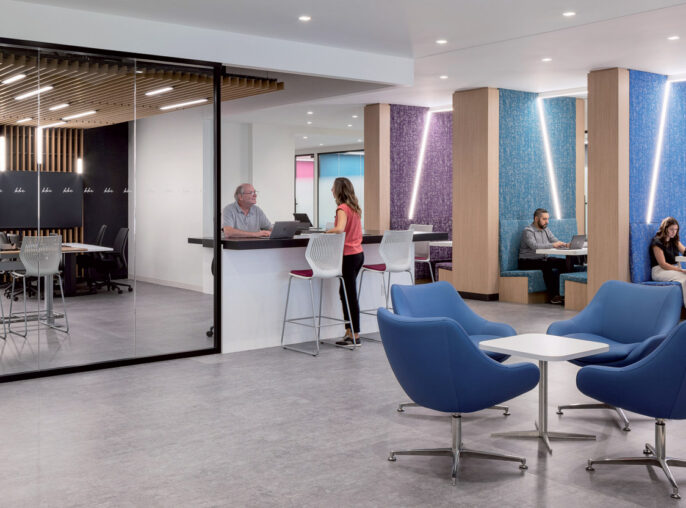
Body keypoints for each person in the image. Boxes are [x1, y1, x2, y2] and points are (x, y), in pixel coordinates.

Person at [326, 177, 364, 346]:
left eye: (333, 188)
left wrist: (327, 232)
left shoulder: (342, 208)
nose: (331, 190)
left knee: (349, 295)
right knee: (345, 293)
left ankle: (355, 335)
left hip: (348, 256)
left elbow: (340, 229)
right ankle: (349, 331)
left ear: (339, 190)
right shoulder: (354, 208)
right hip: (358, 254)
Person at [518, 208, 571, 304]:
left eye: (548, 219)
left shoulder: (546, 229)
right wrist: (552, 245)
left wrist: (565, 244)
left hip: (542, 259)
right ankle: (553, 296)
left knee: (564, 262)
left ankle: (565, 293)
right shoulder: (528, 231)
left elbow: (554, 240)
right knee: (546, 265)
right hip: (526, 261)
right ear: (536, 219)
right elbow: (534, 246)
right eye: (544, 219)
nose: (547, 222)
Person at [650, 217, 686, 305]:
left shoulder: (674, 241)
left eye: (676, 229)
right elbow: (663, 264)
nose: (674, 232)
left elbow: (685, 252)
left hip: (673, 269)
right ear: (665, 229)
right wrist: (680, 270)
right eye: (671, 229)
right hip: (660, 271)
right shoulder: (657, 243)